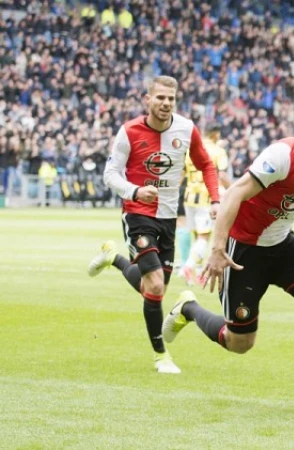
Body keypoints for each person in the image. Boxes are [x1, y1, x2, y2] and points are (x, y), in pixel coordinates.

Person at [160, 96, 294, 409]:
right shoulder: (284, 154)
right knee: (240, 344)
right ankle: (189, 309)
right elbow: (235, 192)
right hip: (244, 249)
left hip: (282, 244)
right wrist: (217, 249)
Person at [86, 76, 220, 374]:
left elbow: (206, 164)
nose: (166, 103)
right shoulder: (129, 131)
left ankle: (114, 259)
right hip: (137, 214)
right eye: (160, 98)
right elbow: (110, 174)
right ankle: (161, 355)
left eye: (171, 99)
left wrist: (215, 199)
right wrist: (134, 191)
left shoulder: (186, 129)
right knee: (156, 284)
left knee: (152, 288)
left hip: (169, 217)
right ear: (147, 99)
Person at [179, 122, 232, 284]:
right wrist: (233, 191)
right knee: (204, 238)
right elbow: (221, 176)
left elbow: (182, 174)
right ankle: (188, 267)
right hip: (207, 198)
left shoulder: (190, 150)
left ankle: (199, 274)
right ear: (216, 135)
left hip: (189, 197)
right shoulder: (218, 151)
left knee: (198, 237)